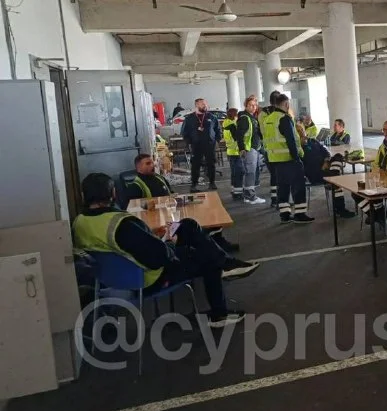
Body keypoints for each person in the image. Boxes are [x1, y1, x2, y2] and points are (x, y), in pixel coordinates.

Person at [73, 173, 259, 327]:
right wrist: (170, 241)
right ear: (113, 193)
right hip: (149, 277)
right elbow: (160, 257)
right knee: (206, 257)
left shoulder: (80, 222)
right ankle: (219, 312)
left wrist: (158, 237)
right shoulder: (122, 224)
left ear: (83, 195)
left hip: (115, 275)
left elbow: (121, 247)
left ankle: (226, 263)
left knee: (187, 225)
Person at [126, 153, 240, 253]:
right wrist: (148, 205)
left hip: (171, 214)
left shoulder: (159, 178)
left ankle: (219, 243)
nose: (152, 165)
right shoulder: (136, 186)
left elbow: (170, 194)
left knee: (211, 216)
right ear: (138, 167)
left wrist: (177, 199)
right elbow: (132, 208)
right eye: (148, 163)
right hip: (160, 225)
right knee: (195, 227)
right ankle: (211, 249)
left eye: (152, 162)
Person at [262, 94, 314, 223]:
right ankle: (300, 214)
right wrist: (297, 158)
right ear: (286, 104)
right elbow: (291, 140)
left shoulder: (268, 119)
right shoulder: (284, 118)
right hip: (289, 158)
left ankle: (284, 214)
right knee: (298, 187)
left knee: (282, 188)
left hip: (275, 159)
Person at [302, 138, 356, 218]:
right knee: (337, 182)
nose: (302, 134)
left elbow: (326, 152)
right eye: (299, 132)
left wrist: (326, 161)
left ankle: (334, 176)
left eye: (302, 131)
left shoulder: (313, 141)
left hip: (325, 168)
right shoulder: (299, 146)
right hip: (314, 173)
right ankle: (340, 209)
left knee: (338, 156)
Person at [180, 98, 220, 192]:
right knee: (195, 165)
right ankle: (194, 185)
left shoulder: (212, 117)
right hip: (196, 145)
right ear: (196, 105)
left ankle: (212, 183)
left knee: (211, 164)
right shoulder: (189, 118)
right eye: (202, 104)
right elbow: (184, 132)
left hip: (209, 144)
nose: (205, 105)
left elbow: (218, 130)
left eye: (205, 104)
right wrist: (188, 143)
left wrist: (217, 141)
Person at [237, 95, 266, 205]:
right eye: (250, 105)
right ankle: (251, 196)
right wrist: (242, 148)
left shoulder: (252, 117)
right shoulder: (245, 118)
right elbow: (239, 135)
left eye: (255, 105)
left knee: (251, 172)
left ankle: (247, 195)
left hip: (254, 148)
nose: (253, 107)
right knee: (250, 172)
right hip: (249, 149)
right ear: (246, 106)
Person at [259, 91, 283, 207]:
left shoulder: (263, 113)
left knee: (274, 174)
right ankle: (281, 200)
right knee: (280, 175)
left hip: (268, 148)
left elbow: (262, 131)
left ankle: (274, 199)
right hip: (281, 150)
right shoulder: (280, 114)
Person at [221, 107, 243, 200]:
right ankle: (238, 193)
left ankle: (234, 189)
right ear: (234, 115)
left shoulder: (225, 123)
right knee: (239, 173)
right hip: (236, 151)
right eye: (237, 114)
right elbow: (237, 138)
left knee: (234, 173)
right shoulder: (233, 125)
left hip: (230, 151)